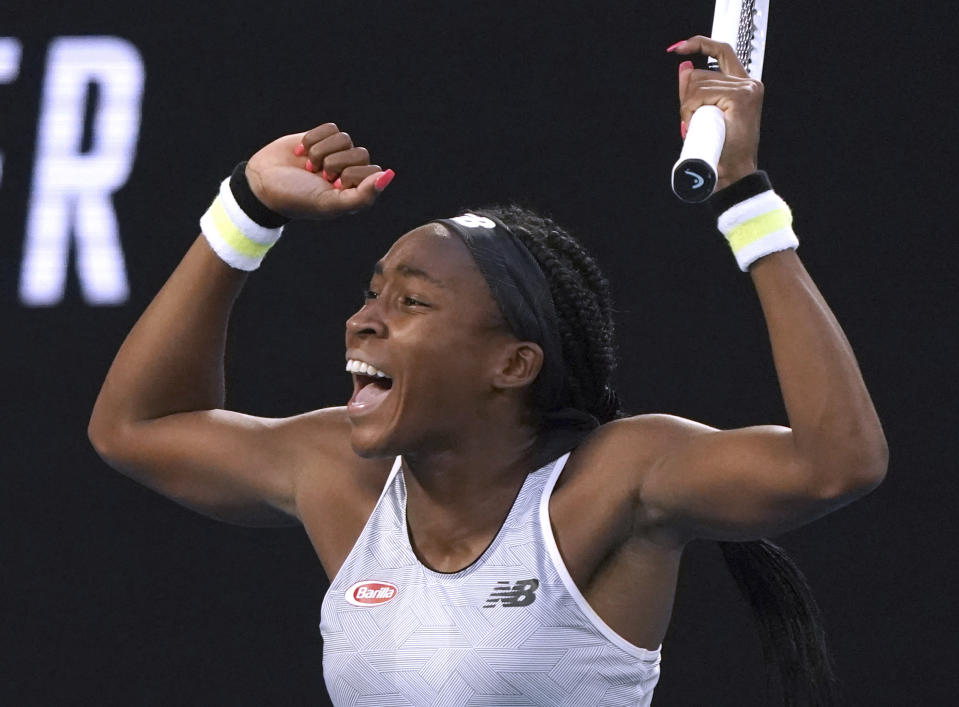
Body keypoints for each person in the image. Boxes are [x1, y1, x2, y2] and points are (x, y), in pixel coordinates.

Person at [88, 36, 887, 706]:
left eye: (411, 301)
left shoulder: (619, 478)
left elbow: (836, 463)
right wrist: (246, 210)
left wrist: (743, 198)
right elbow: (136, 427)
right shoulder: (337, 473)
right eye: (372, 292)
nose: (364, 318)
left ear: (511, 363)